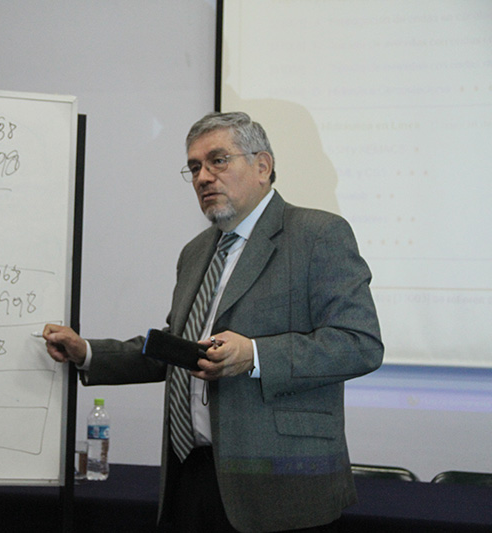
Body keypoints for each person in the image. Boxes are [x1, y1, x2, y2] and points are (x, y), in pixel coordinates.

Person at [42, 112, 383, 533]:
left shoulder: (317, 234)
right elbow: (178, 350)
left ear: (263, 166)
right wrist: (88, 352)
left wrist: (253, 356)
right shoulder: (196, 251)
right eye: (194, 167)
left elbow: (359, 343)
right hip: (190, 477)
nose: (203, 177)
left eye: (218, 161)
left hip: (279, 484)